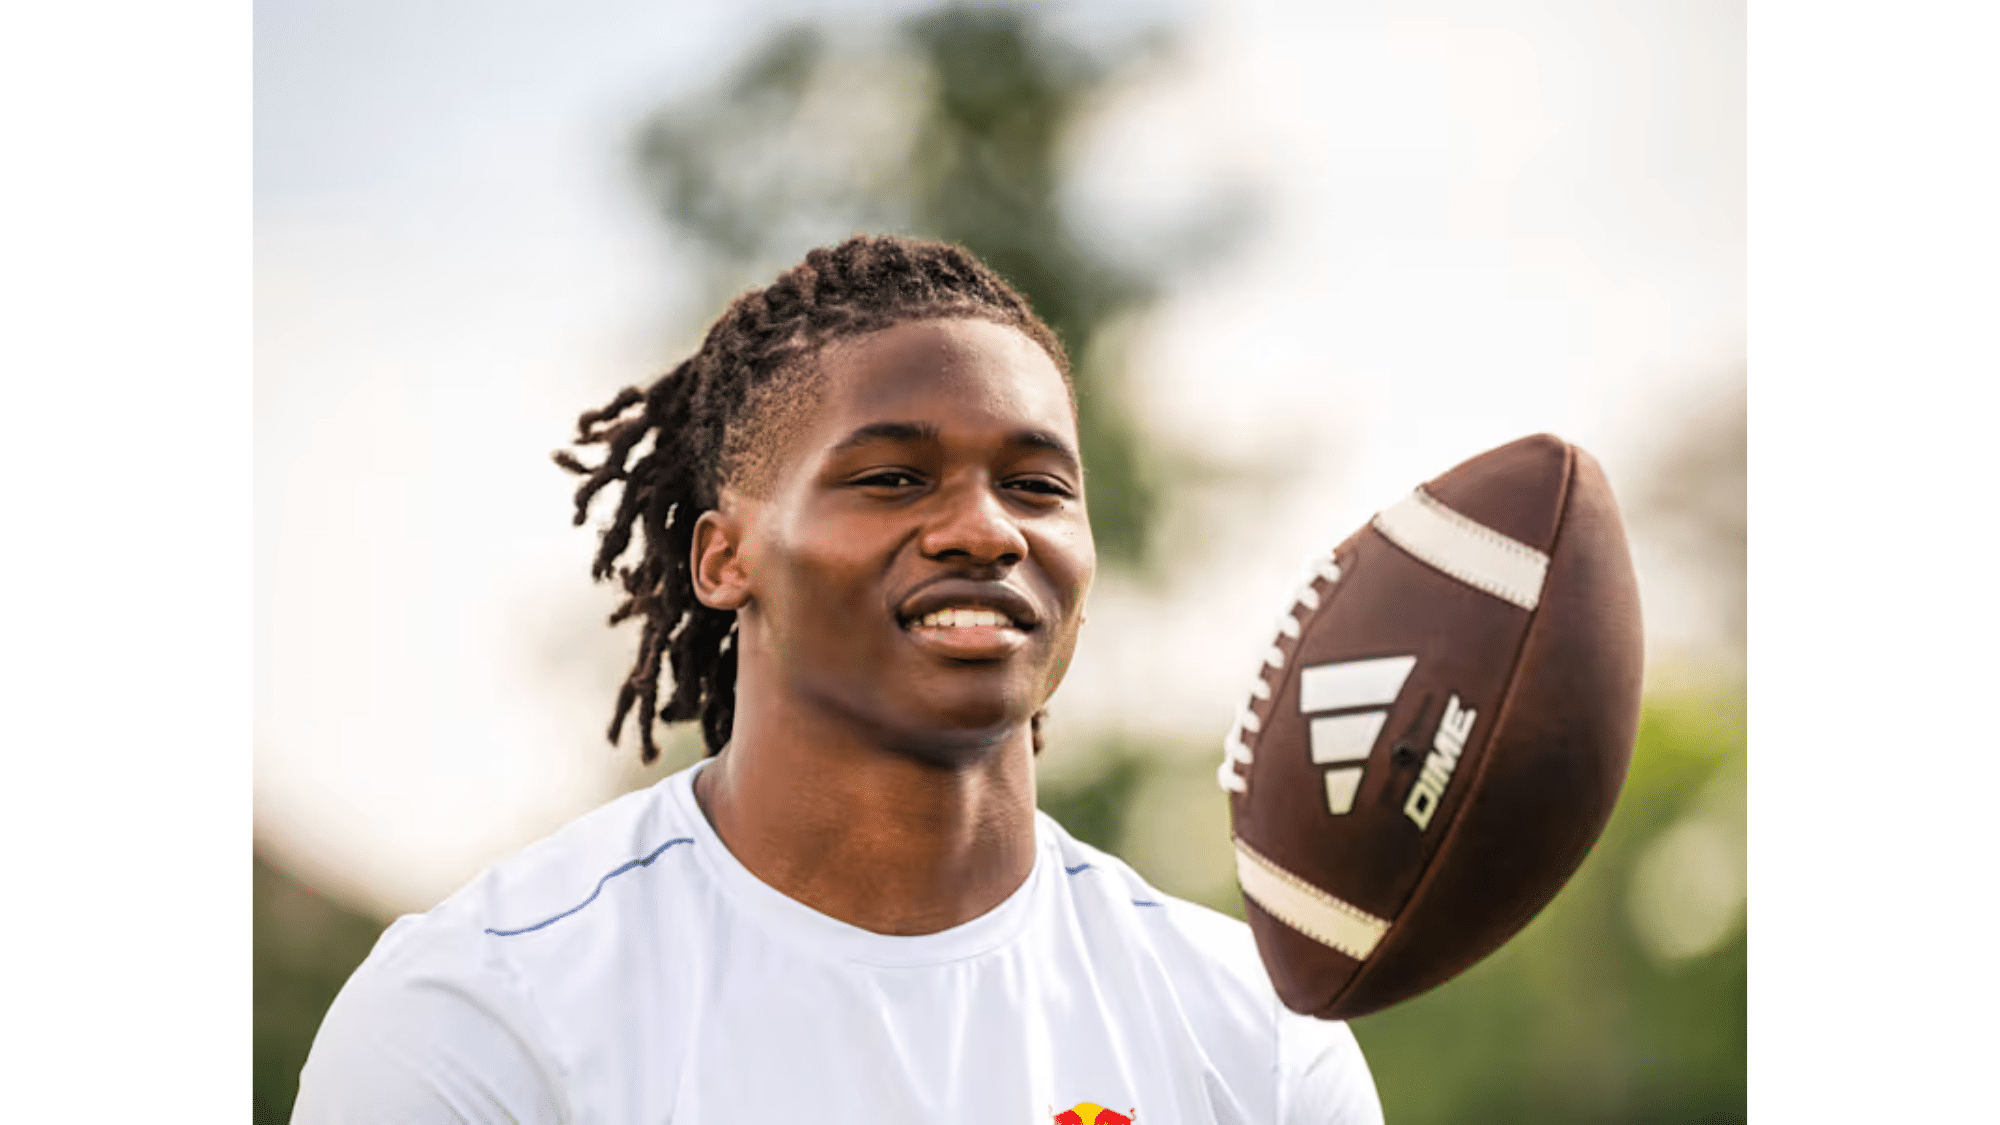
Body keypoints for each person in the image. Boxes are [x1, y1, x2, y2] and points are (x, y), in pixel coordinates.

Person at [292, 235, 1384, 1124]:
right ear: (723, 559)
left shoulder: (1250, 1030)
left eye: (1036, 484)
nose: (983, 529)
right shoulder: (483, 1009)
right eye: (893, 477)